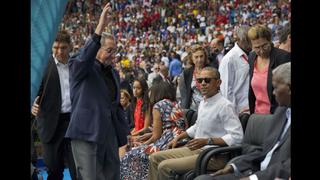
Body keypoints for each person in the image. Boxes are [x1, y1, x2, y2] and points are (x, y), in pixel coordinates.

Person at [65, 3, 130, 180]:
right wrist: (99, 28)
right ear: (97, 50)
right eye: (109, 50)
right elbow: (84, 57)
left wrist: (123, 133)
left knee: (112, 174)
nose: (113, 55)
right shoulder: (79, 67)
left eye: (115, 51)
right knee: (90, 177)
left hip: (109, 134)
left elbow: (116, 106)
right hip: (86, 132)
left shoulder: (114, 73)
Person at [195, 62, 291, 180]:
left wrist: (253, 178)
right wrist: (234, 166)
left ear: (289, 88)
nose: (273, 93)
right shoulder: (281, 112)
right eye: (200, 81)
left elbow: (287, 166)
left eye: (276, 87)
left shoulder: (224, 105)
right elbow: (265, 151)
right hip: (253, 170)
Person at [148, 67, 244, 180]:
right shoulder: (203, 102)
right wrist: (178, 137)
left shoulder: (225, 106)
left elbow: (237, 137)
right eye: (200, 80)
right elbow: (198, 126)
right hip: (198, 150)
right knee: (153, 158)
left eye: (207, 80)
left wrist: (207, 141)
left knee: (164, 166)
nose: (202, 83)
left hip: (214, 155)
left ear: (218, 82)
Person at [31, 30, 77, 180]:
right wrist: (32, 104)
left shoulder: (76, 65)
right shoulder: (42, 66)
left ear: (70, 46)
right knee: (54, 170)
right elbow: (34, 92)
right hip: (51, 126)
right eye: (55, 47)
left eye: (63, 47)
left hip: (73, 123)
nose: (59, 51)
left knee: (78, 170)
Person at [120, 81, 187, 180]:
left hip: (167, 142)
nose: (149, 97)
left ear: (157, 93)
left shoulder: (158, 106)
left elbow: (156, 136)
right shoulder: (176, 104)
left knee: (130, 155)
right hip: (180, 140)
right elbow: (183, 126)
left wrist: (144, 145)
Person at [247, 25, 290, 115]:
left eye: (264, 46)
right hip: (257, 114)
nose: (261, 51)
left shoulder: (283, 57)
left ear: (270, 41)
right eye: (257, 48)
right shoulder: (251, 57)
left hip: (277, 116)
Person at [219, 25, 252, 115]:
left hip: (252, 108)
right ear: (240, 40)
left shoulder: (252, 54)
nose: (251, 43)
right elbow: (226, 90)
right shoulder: (229, 59)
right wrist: (233, 114)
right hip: (239, 111)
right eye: (248, 40)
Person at [179, 44, 210, 111]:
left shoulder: (211, 70)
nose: (199, 59)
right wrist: (184, 112)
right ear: (191, 58)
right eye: (196, 57)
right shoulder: (187, 73)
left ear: (205, 57)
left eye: (201, 56)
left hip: (210, 108)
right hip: (193, 111)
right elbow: (183, 96)